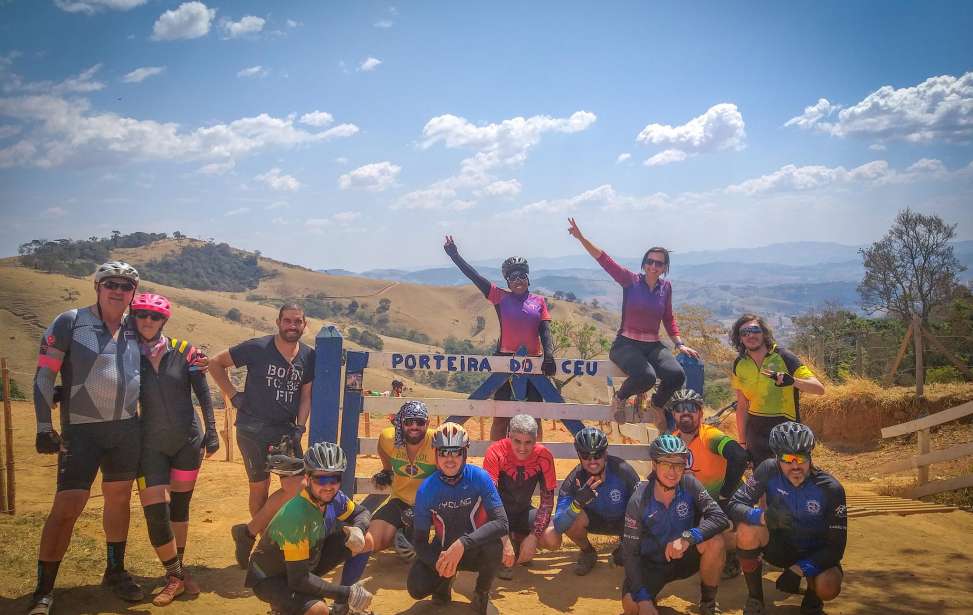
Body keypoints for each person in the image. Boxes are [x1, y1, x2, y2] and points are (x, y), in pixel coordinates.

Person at [29, 261, 145, 614]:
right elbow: (44, 376)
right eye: (111, 283)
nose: (118, 291)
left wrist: (194, 359)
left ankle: (115, 569)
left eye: (126, 286)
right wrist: (42, 426)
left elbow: (165, 353)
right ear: (97, 286)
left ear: (132, 294)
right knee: (67, 508)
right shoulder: (71, 321)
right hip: (81, 430)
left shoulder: (136, 326)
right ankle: (44, 590)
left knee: (119, 500)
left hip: (125, 429)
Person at [567, 218, 699, 432]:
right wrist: (582, 238)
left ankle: (656, 404)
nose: (653, 266)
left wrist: (679, 344)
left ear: (665, 267)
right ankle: (620, 398)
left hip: (653, 345)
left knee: (677, 375)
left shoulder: (666, 287)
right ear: (643, 263)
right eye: (650, 261)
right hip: (625, 345)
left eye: (659, 263)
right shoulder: (630, 281)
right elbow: (604, 260)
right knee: (645, 377)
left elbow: (668, 318)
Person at [209, 303, 316, 568]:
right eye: (288, 321)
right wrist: (233, 396)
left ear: (305, 325)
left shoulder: (309, 357)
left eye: (297, 322)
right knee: (259, 487)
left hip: (284, 431)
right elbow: (215, 363)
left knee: (296, 486)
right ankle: (263, 547)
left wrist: (300, 427)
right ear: (278, 322)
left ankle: (247, 533)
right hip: (252, 428)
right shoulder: (258, 348)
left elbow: (306, 395)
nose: (292, 326)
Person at [130, 293, 220, 605]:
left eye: (154, 317)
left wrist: (212, 430)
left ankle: (172, 577)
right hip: (149, 445)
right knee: (156, 513)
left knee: (179, 509)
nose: (148, 321)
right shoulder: (126, 354)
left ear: (164, 320)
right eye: (142, 315)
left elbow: (203, 393)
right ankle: (179, 574)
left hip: (187, 441)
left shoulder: (185, 351)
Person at [443, 235, 555, 440]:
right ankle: (495, 457)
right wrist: (455, 256)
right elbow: (474, 277)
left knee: (535, 416)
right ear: (507, 281)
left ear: (528, 278)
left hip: (534, 363)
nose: (518, 280)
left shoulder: (539, 301)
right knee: (500, 416)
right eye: (512, 277)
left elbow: (545, 330)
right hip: (504, 361)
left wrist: (549, 356)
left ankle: (536, 457)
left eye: (521, 275)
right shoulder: (499, 297)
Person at [729, 422, 846, 615]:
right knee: (746, 530)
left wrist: (801, 569)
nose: (795, 466)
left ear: (810, 456)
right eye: (787, 458)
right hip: (779, 545)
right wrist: (762, 516)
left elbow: (836, 547)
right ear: (777, 458)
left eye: (801, 458)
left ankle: (813, 595)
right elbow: (735, 503)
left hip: (814, 551)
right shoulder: (768, 470)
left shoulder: (831, 489)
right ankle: (755, 598)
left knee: (829, 585)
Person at [245, 442, 375, 615]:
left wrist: (358, 529)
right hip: (271, 578)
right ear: (307, 477)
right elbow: (299, 580)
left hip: (306, 560)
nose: (328, 486)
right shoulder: (296, 515)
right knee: (318, 610)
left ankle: (340, 609)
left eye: (334, 478)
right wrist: (346, 593)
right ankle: (282, 609)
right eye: (321, 479)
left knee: (365, 540)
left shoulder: (333, 498)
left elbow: (362, 513)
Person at [621, 434, 730, 615]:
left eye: (679, 464)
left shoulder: (689, 483)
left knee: (715, 541)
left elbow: (719, 517)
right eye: (666, 463)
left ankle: (708, 603)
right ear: (654, 465)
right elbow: (630, 553)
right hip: (652, 565)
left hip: (685, 557)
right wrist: (643, 598)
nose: (673, 471)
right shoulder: (639, 500)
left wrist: (687, 538)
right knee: (632, 607)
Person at [408, 422, 508, 614]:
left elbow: (502, 523)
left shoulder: (480, 478)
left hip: (473, 549)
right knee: (416, 587)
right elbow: (419, 542)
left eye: (456, 452)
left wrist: (463, 543)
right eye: (444, 452)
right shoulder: (427, 489)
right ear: (436, 455)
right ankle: (443, 584)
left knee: (494, 547)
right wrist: (438, 563)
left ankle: (481, 592)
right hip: (443, 552)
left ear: (465, 453)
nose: (450, 459)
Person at [668, 388, 749, 579]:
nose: (685, 412)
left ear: (701, 413)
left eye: (691, 408)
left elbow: (739, 456)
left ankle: (731, 555)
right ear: (674, 414)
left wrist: (725, 493)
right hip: (697, 503)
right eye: (680, 408)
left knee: (717, 534)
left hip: (723, 503)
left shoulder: (710, 435)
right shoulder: (673, 440)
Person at [729, 314, 825, 468]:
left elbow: (819, 389)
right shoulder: (739, 363)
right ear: (740, 338)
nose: (750, 335)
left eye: (755, 330)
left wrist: (793, 381)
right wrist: (742, 441)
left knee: (793, 478)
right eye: (744, 332)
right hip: (756, 434)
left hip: (787, 432)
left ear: (764, 333)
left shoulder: (784, 357)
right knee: (762, 483)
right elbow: (742, 406)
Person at [544, 426, 640, 575]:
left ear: (606, 453)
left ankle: (624, 546)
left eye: (598, 455)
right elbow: (559, 525)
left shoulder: (623, 470)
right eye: (586, 455)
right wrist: (577, 503)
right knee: (571, 519)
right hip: (595, 521)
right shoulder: (574, 480)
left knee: (628, 556)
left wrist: (629, 542)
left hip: (624, 522)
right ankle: (588, 552)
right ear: (578, 455)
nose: (592, 461)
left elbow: (643, 507)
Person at [482, 413, 558, 579]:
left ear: (536, 439)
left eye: (528, 442)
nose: (522, 448)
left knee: (552, 538)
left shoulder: (544, 456)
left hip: (523, 512)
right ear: (509, 435)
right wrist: (503, 539)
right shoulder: (495, 452)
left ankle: (520, 540)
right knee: (484, 535)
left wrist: (533, 537)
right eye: (517, 441)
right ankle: (507, 546)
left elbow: (547, 502)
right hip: (497, 515)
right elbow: (488, 500)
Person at [362, 401, 437, 563]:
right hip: (400, 500)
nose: (414, 426)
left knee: (412, 550)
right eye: (409, 422)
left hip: (429, 504)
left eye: (420, 422)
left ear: (428, 423)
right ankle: (398, 531)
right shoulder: (388, 438)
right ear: (401, 423)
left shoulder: (436, 442)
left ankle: (407, 534)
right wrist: (386, 470)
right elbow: (382, 448)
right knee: (371, 542)